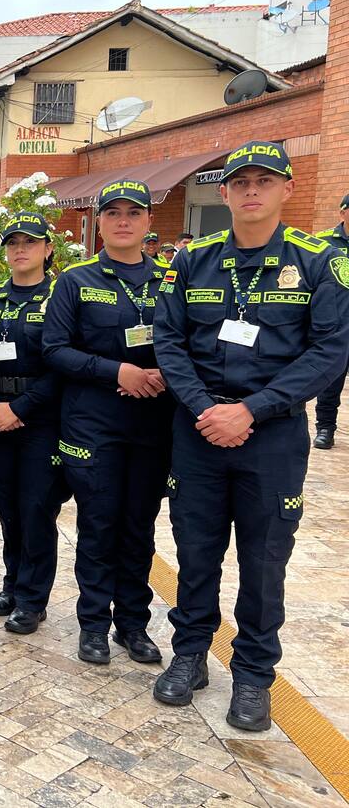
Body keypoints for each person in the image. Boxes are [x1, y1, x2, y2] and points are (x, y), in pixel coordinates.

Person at [153, 141, 349, 731]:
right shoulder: (191, 262)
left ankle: (254, 677)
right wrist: (205, 410)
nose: (252, 191)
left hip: (272, 435)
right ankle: (190, 655)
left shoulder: (319, 263)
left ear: (287, 189)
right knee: (195, 549)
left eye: (266, 180)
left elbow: (330, 353)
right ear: (225, 193)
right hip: (199, 429)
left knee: (265, 561)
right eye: (241, 182)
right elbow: (170, 342)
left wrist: (252, 411)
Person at [43, 179, 173, 666]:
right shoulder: (75, 281)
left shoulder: (169, 282)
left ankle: (133, 625)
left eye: (133, 213)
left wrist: (163, 374)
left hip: (152, 422)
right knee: (98, 524)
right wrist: (116, 371)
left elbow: (184, 344)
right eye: (112, 212)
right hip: (94, 422)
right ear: (98, 222)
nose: (122, 220)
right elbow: (54, 350)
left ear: (147, 222)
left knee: (139, 527)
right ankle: (93, 625)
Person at [0, 212, 67, 635]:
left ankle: (32, 598)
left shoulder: (60, 297)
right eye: (13, 243)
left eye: (31, 242)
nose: (21, 249)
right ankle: (12, 583)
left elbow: (63, 365)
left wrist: (21, 408)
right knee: (8, 508)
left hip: (42, 419)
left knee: (36, 508)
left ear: (48, 250)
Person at [313, 194, 349, 449]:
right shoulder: (324, 243)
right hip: (337, 326)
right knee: (331, 381)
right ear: (343, 213)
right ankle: (325, 427)